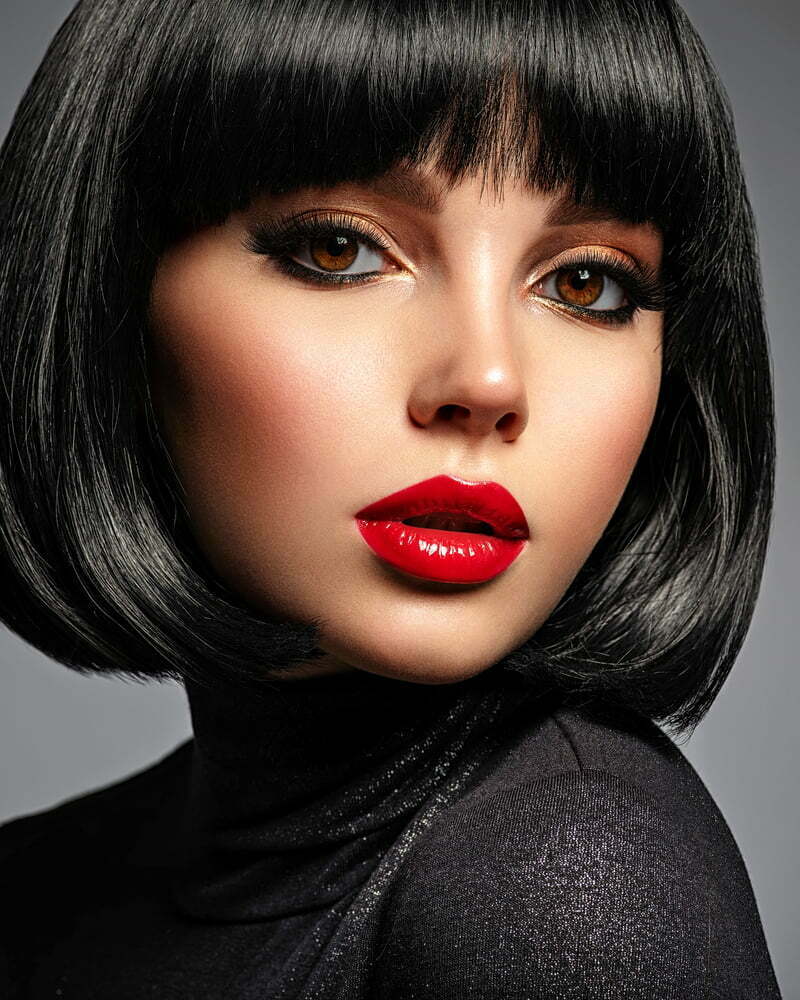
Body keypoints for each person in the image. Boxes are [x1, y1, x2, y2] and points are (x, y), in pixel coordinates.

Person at [0, 0, 783, 996]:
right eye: (342, 250)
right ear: (106, 285)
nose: (488, 381)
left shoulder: (569, 884)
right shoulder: (37, 884)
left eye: (585, 284)